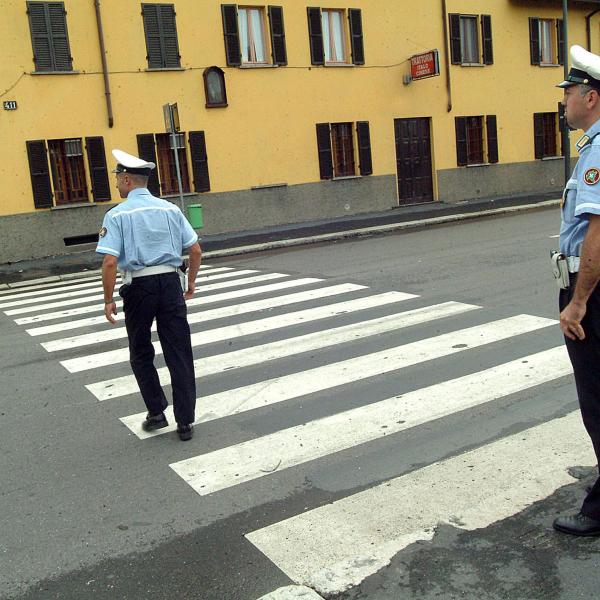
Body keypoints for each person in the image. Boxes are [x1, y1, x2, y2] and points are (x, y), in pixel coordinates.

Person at [96, 149, 201, 441]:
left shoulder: (117, 214)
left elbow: (109, 261)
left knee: (141, 351)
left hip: (139, 288)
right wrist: (190, 284)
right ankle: (185, 422)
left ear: (128, 180)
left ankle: (156, 412)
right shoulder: (170, 209)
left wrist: (108, 300)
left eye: (118, 178)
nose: (116, 183)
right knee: (179, 352)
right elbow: (194, 250)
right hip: (170, 284)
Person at [554, 45, 600, 535]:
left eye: (568, 92)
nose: (563, 100)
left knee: (598, 397)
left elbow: (597, 230)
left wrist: (579, 301)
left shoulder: (598, 149)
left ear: (590, 95)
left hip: (594, 291)